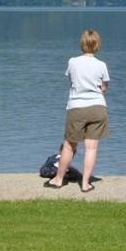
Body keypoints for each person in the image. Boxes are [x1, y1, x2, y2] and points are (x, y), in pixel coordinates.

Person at [46, 29, 109, 193]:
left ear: (82, 44)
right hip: (98, 107)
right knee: (92, 147)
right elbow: (104, 87)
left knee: (69, 145)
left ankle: (58, 179)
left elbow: (71, 80)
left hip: (77, 107)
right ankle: (86, 183)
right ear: (97, 45)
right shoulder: (101, 65)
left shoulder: (73, 62)